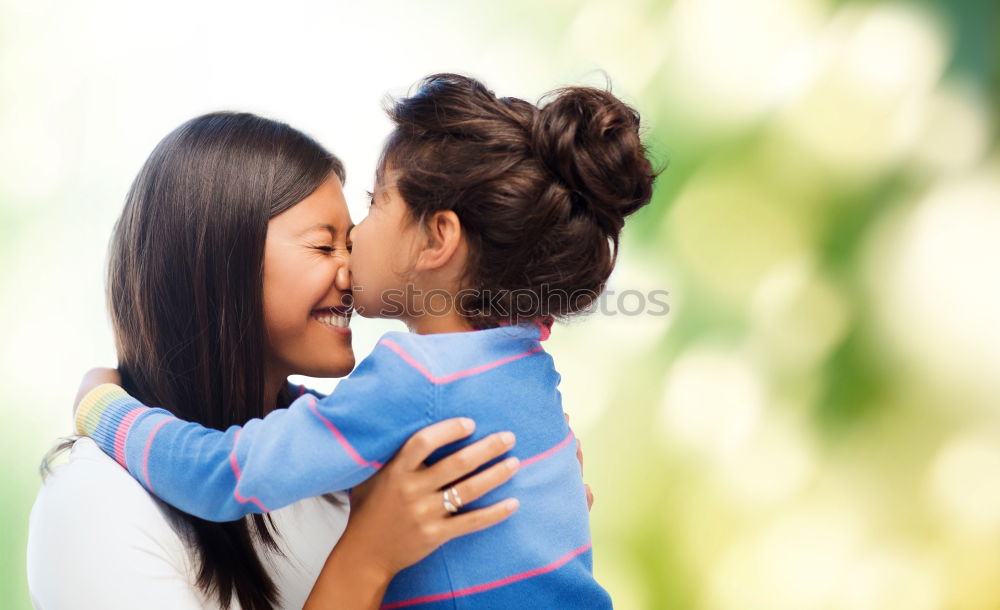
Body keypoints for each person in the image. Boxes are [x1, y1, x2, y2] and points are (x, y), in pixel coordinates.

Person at [74, 73, 654, 608]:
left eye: (375, 204)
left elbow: (224, 475)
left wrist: (104, 409)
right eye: (325, 245)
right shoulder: (525, 357)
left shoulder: (414, 375)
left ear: (437, 240)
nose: (353, 248)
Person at [27, 111, 526, 610]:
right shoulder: (93, 501)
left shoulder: (347, 471)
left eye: (350, 244)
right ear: (220, 262)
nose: (353, 273)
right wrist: (369, 556)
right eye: (324, 245)